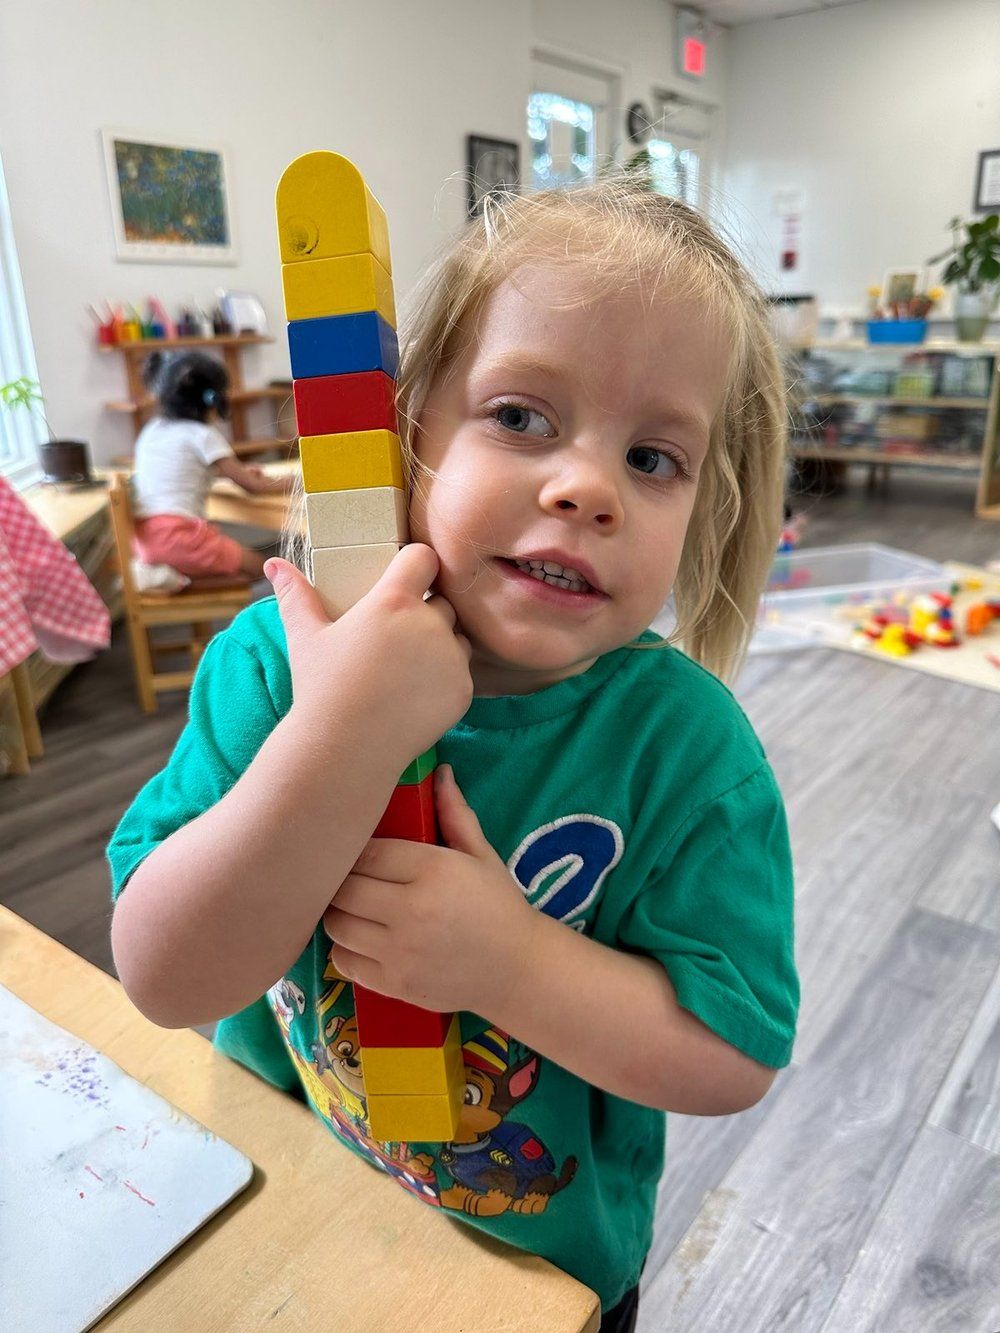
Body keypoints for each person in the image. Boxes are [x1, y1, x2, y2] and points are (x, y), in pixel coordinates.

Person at [108, 182, 799, 1331]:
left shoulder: (686, 753)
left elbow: (730, 1058)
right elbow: (164, 976)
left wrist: (507, 962)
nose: (585, 487)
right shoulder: (277, 669)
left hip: (526, 1275)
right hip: (283, 1196)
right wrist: (341, 738)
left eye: (652, 456)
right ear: (406, 430)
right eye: (521, 416)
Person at [131, 349, 291, 580]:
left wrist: (236, 472)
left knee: (239, 564)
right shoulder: (202, 435)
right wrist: (299, 479)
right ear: (213, 399)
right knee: (267, 569)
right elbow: (255, 487)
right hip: (179, 538)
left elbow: (181, 472)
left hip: (146, 539)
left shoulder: (152, 430)